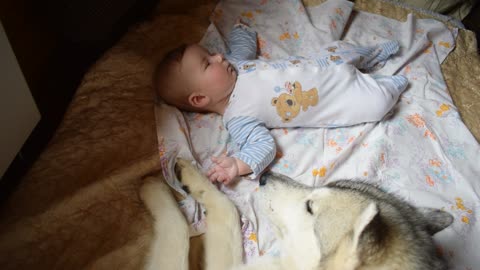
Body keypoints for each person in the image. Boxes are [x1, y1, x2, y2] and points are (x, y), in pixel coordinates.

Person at [153, 23, 408, 184]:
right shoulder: (238, 118)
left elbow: (242, 49)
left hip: (323, 62)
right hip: (336, 97)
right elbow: (262, 146)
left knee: (346, 49)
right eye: (208, 62)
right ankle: (393, 84)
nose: (218, 56)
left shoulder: (235, 65)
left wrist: (241, 31)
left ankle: (374, 53)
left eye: (211, 53)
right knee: (377, 104)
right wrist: (238, 164)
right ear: (200, 99)